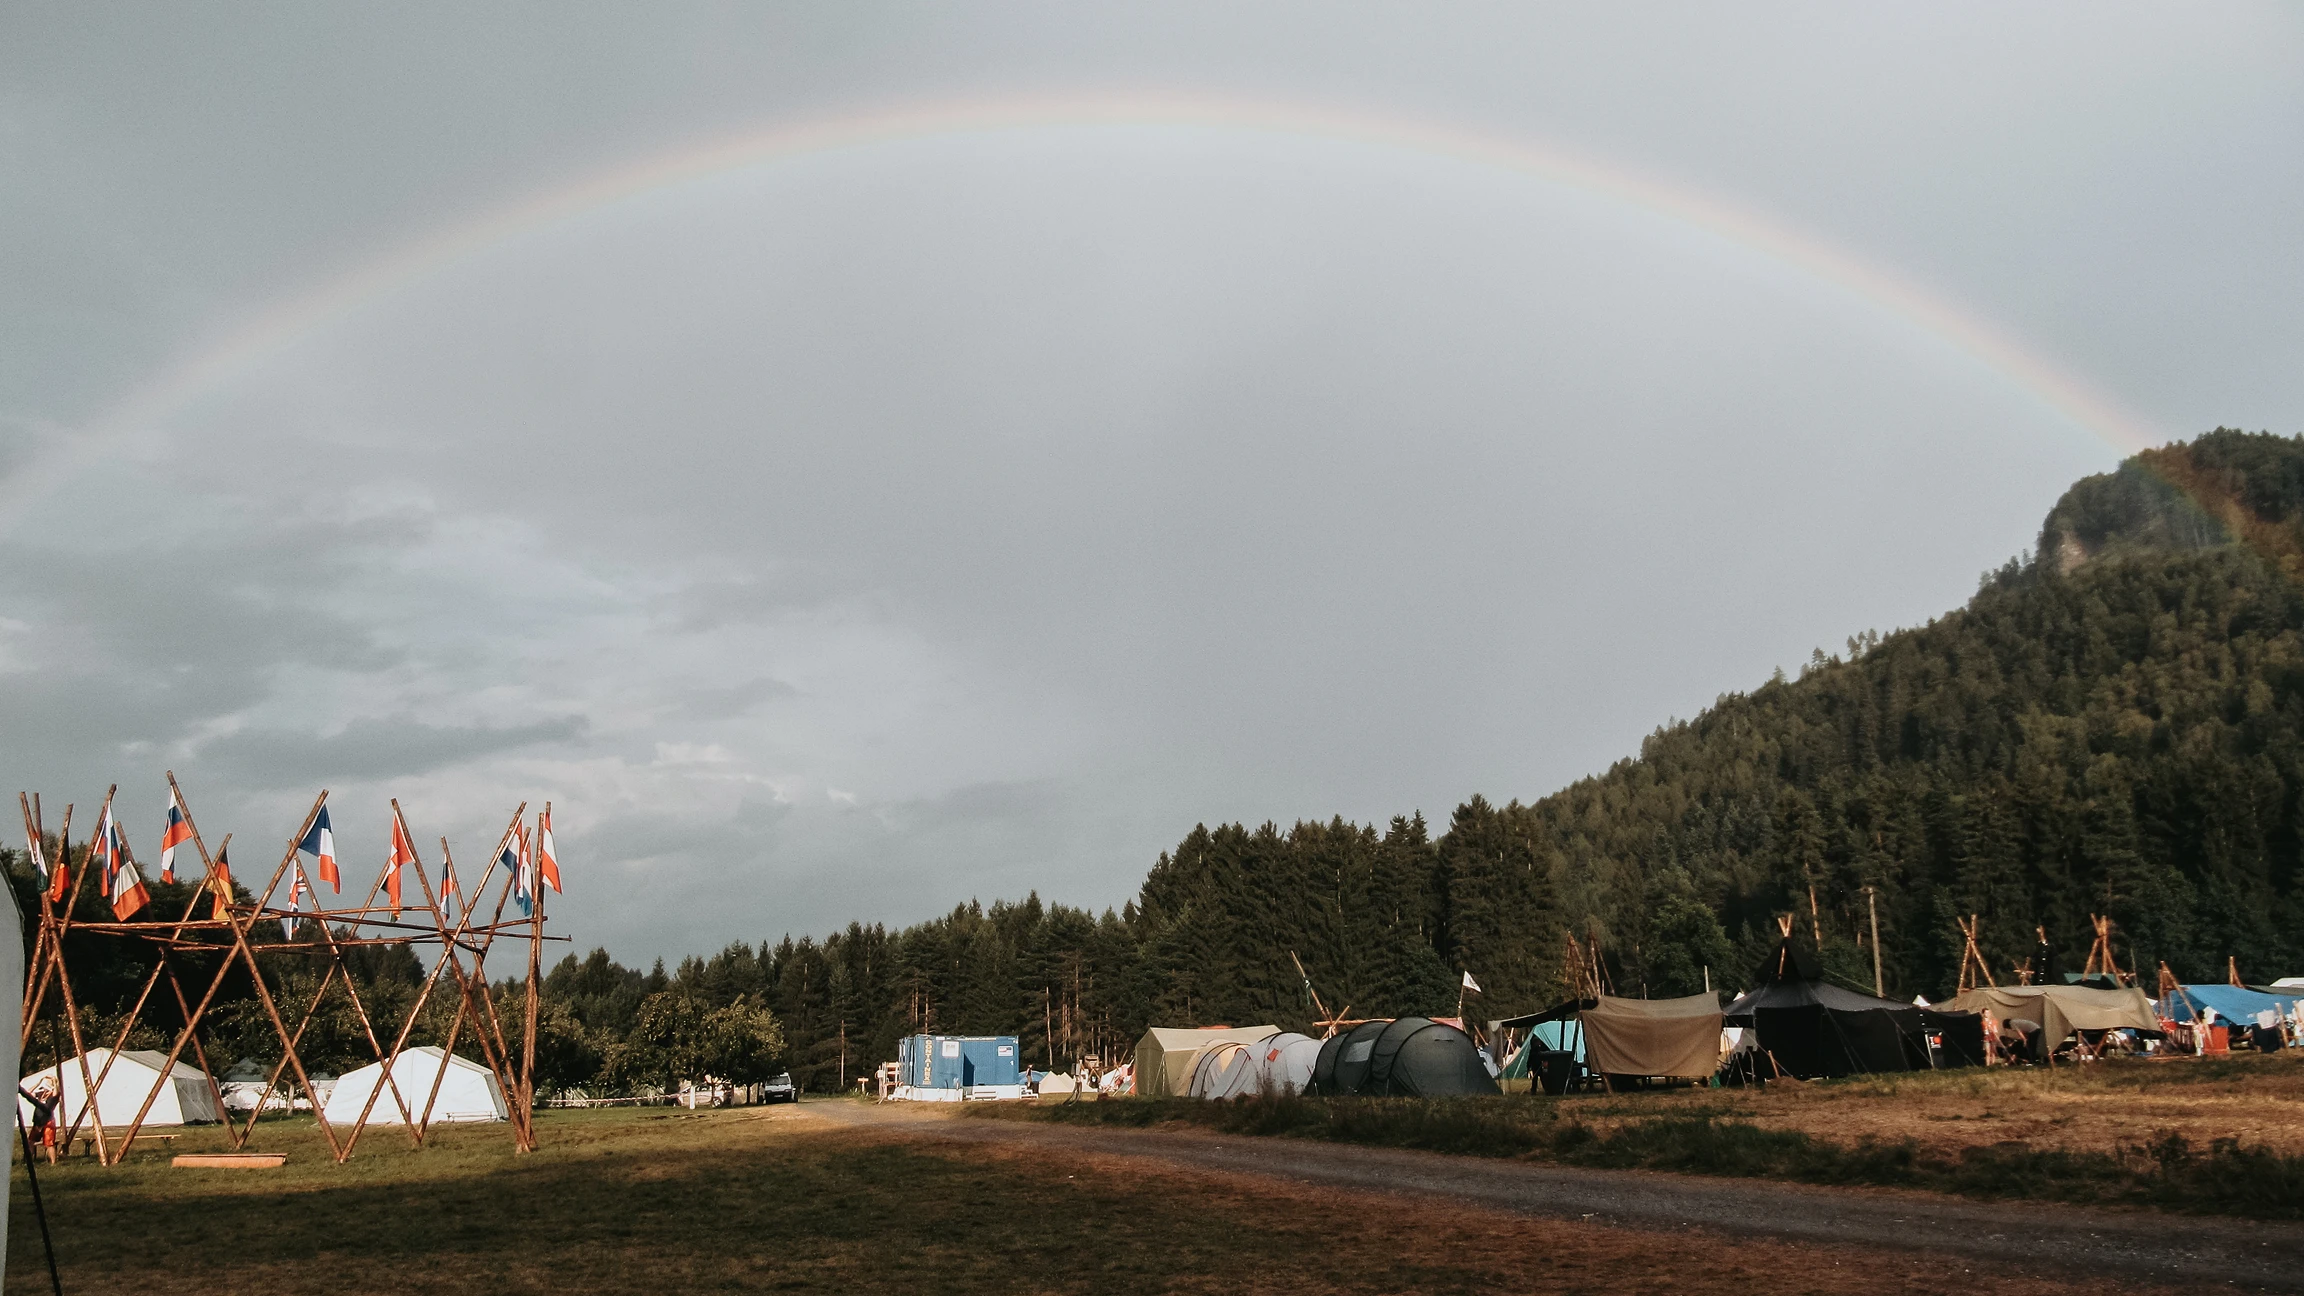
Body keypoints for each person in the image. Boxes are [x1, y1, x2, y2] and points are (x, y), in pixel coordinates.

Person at [19, 1078, 60, 1164]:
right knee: (31, 1141)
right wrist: (39, 1082)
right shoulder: (41, 1094)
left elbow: (56, 1092)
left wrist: (54, 1081)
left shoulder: (54, 1095)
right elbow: (28, 1093)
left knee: (49, 1143)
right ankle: (28, 1160)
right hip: (38, 1121)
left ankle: (53, 1163)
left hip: (48, 1121)